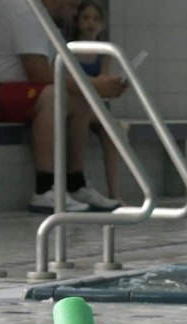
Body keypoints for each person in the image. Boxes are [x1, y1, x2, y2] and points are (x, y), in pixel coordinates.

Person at [0, 0, 124, 214]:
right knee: (53, 94)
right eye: (74, 7)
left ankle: (76, 184)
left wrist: (95, 89)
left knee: (80, 94)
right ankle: (44, 189)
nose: (75, 13)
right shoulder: (24, 11)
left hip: (7, 91)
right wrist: (93, 85)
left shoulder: (42, 17)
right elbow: (39, 73)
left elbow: (61, 73)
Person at [70, 0, 123, 204]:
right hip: (76, 104)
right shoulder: (70, 48)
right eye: (85, 18)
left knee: (114, 132)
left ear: (102, 24)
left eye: (95, 19)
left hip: (95, 106)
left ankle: (114, 192)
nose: (90, 23)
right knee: (89, 113)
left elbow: (103, 85)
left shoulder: (104, 52)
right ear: (77, 22)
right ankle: (77, 183)